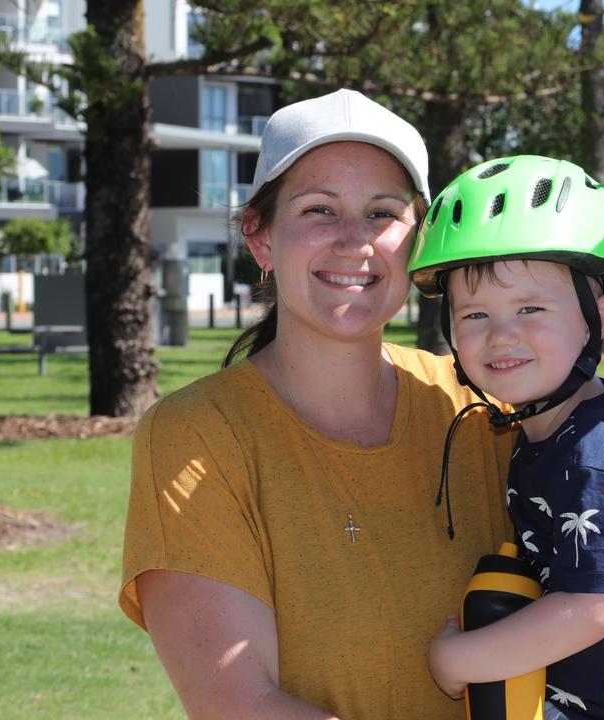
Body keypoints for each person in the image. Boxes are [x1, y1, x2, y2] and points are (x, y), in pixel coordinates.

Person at [119, 89, 516, 719]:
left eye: (383, 213)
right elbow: (240, 704)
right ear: (260, 237)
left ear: (419, 241)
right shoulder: (196, 437)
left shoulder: (483, 411)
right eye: (319, 210)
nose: (354, 241)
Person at [409, 155, 604, 720]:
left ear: (598, 316)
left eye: (530, 308)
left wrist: (458, 660)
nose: (501, 336)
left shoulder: (597, 457)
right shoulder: (553, 432)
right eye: (475, 315)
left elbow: (594, 607)